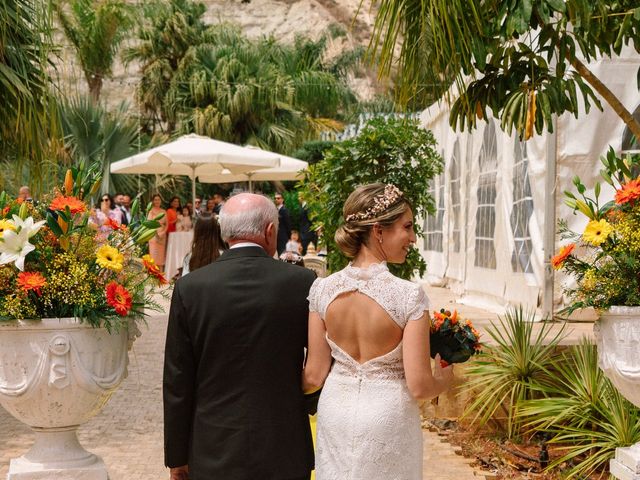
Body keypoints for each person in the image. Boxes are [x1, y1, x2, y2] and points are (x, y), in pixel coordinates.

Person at [302, 183, 455, 480]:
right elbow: (420, 386)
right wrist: (444, 381)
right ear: (378, 231)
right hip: (388, 416)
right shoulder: (409, 296)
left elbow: (313, 376)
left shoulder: (322, 290)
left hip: (336, 412)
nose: (412, 238)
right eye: (407, 227)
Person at [164, 193, 316, 480]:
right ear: (271, 231)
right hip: (283, 441)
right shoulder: (302, 283)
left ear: (225, 232)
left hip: (213, 445)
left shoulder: (190, 288)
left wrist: (177, 457)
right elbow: (320, 365)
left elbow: (178, 380)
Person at [180, 212, 225, 276]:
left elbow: (184, 282)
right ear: (216, 232)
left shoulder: (190, 258)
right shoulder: (223, 256)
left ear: (197, 232)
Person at [147, 194, 167, 271]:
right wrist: (156, 233)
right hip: (153, 236)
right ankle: (153, 276)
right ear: (152, 201)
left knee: (161, 257)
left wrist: (163, 232)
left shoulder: (164, 211)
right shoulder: (151, 211)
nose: (157, 201)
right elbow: (149, 224)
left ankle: (161, 276)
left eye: (158, 199)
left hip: (162, 236)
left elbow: (166, 224)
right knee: (154, 257)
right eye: (155, 200)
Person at [274, 192, 291, 256]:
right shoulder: (276, 209)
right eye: (275, 198)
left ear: (282, 200)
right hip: (277, 236)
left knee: (283, 254)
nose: (276, 200)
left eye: (278, 198)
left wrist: (289, 236)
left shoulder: (284, 210)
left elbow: (288, 224)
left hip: (283, 236)